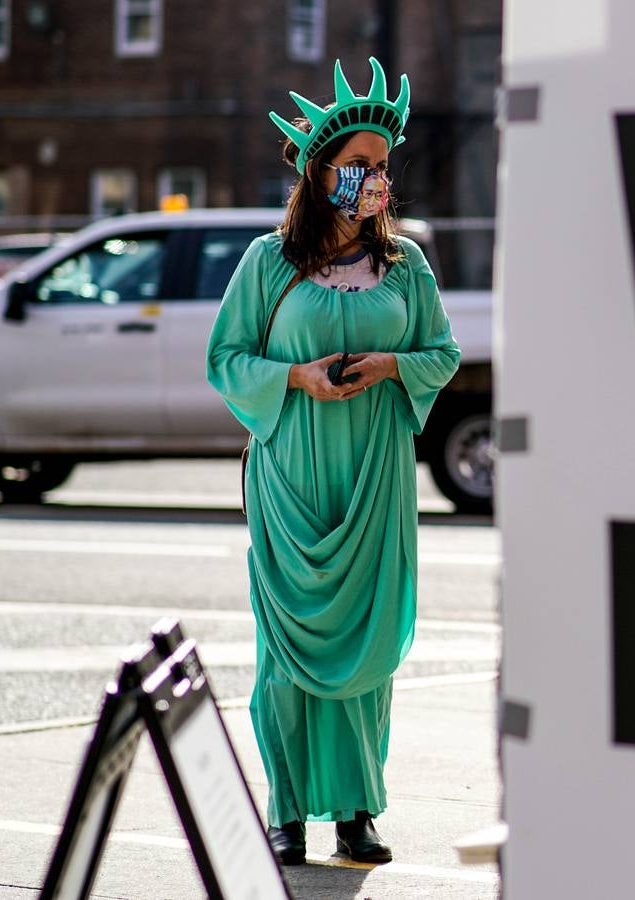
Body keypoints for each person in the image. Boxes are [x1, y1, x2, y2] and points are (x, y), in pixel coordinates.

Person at [205, 57, 461, 866]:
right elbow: (225, 358)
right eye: (358, 167)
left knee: (368, 645)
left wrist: (391, 366)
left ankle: (356, 811)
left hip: (377, 469)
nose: (374, 181)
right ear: (319, 175)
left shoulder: (408, 265)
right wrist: (296, 378)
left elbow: (442, 352)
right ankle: (286, 812)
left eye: (382, 168)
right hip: (291, 468)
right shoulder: (268, 264)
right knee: (287, 651)